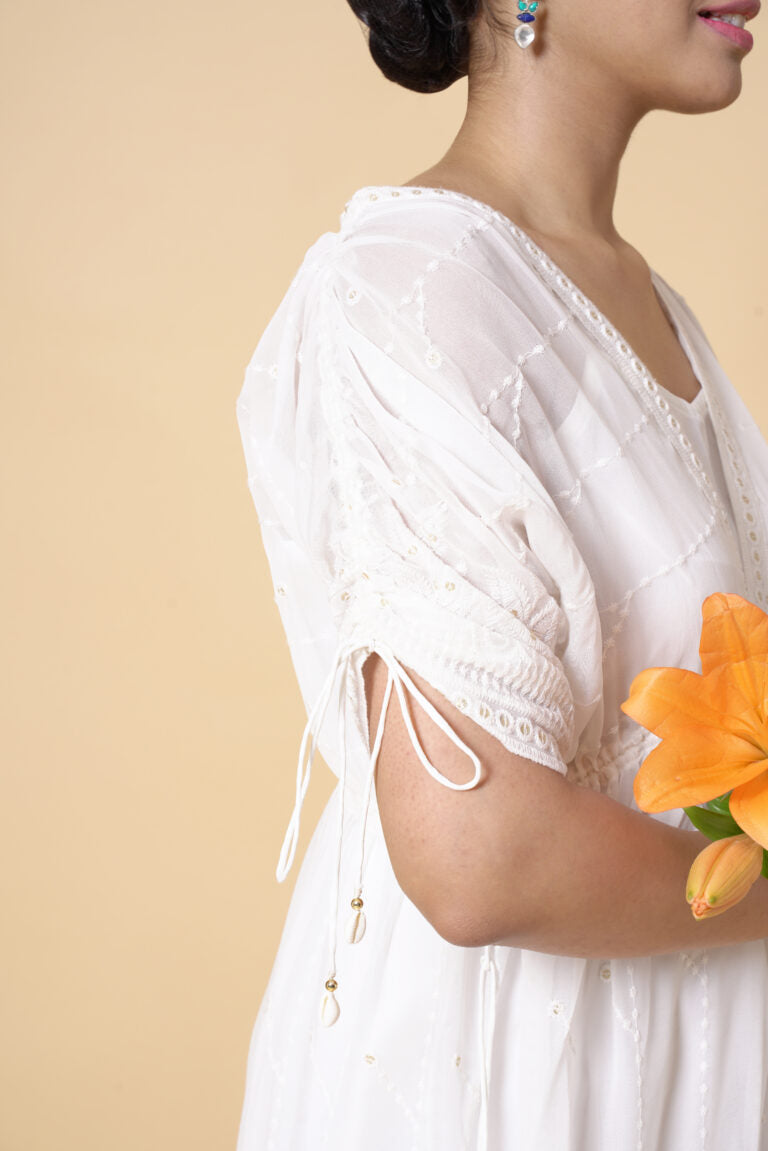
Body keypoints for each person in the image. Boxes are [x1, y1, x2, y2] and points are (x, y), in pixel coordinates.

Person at [235, 0, 768, 1146]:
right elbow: (482, 853)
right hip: (514, 1075)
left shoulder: (644, 301)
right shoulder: (411, 284)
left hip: (679, 1049)